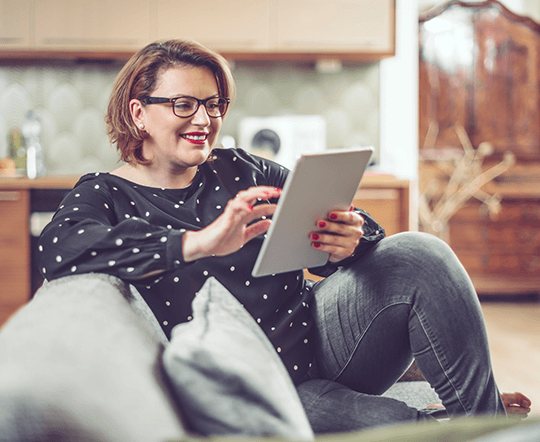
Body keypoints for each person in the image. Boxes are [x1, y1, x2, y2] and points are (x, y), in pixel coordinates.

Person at [36, 39, 531, 432]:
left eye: (214, 104)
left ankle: (479, 417)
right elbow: (60, 252)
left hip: (321, 337)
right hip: (253, 381)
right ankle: (463, 423)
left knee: (417, 252)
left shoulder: (242, 168)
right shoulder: (105, 193)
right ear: (138, 111)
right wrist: (199, 242)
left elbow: (355, 226)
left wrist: (351, 239)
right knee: (382, 422)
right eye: (183, 105)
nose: (204, 120)